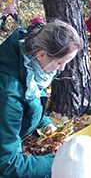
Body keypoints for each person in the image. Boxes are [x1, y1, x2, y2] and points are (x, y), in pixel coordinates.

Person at [0, 20, 83, 177]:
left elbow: (30, 104)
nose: (62, 69)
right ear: (42, 54)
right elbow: (6, 163)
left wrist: (45, 126)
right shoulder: (8, 93)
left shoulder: (29, 67)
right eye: (60, 62)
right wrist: (61, 163)